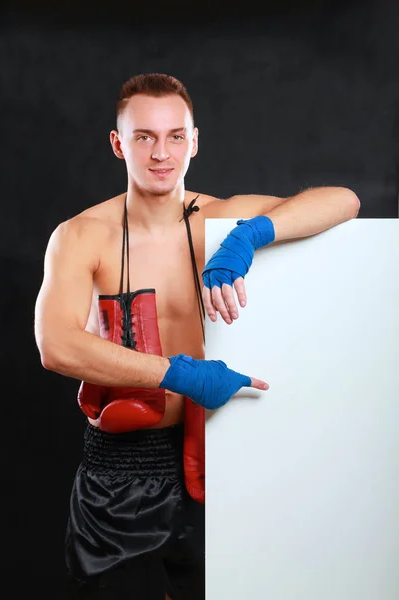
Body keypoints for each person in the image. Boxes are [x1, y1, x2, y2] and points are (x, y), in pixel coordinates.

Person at [34, 73, 360, 599]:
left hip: (218, 453)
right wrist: (179, 373)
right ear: (119, 144)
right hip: (121, 468)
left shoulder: (223, 216)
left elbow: (343, 201)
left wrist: (252, 235)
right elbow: (56, 345)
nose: (161, 153)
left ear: (195, 141)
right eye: (144, 137)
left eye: (175, 136)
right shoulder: (81, 235)